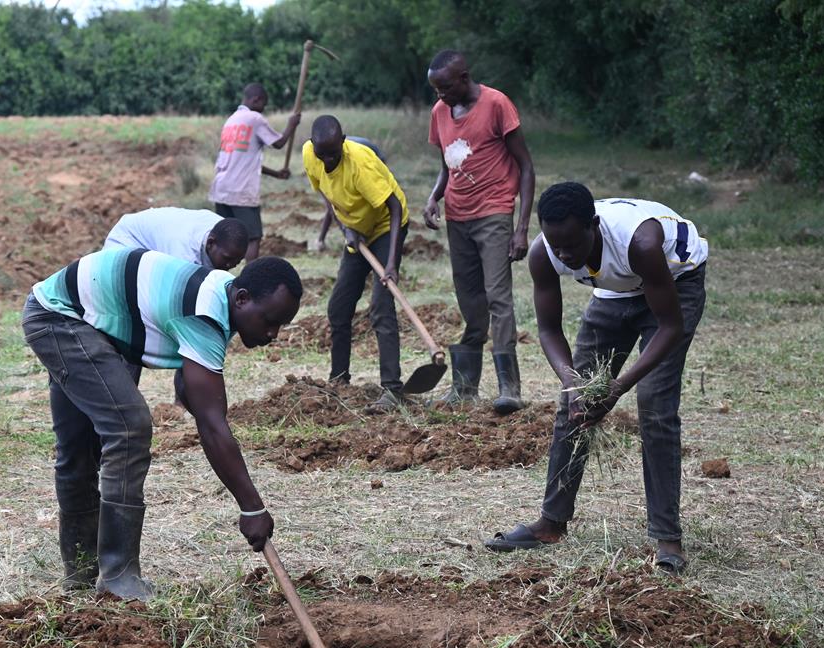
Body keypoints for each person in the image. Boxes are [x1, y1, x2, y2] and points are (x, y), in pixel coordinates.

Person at [22, 252, 302, 600]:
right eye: (269, 320)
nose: (272, 333)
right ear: (242, 298)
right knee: (128, 428)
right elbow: (213, 427)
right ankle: (117, 577)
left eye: (280, 326)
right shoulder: (204, 312)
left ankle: (82, 573)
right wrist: (252, 508)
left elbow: (197, 394)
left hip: (79, 318)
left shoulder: (219, 295)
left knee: (82, 444)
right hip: (59, 318)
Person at [483, 182, 708, 576]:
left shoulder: (640, 242)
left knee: (654, 405)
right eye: (558, 247)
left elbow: (670, 326)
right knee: (573, 406)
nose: (565, 254)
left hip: (674, 280)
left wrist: (618, 389)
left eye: (573, 244)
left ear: (594, 226)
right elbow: (549, 331)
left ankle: (667, 536)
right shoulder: (544, 252)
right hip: (615, 292)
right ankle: (551, 522)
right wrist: (574, 386)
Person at [423, 49, 535, 415]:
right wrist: (433, 197)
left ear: (463, 78)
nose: (440, 97)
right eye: (435, 90)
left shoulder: (497, 104)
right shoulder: (440, 111)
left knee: (498, 297)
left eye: (444, 89)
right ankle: (466, 387)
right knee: (470, 300)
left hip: (495, 213)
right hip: (458, 217)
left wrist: (521, 228)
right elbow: (447, 165)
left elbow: (526, 166)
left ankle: (508, 386)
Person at [303, 115, 409, 411]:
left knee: (380, 307)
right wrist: (345, 228)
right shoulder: (309, 155)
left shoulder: (360, 163)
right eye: (321, 154)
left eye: (333, 154)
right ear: (313, 146)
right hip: (358, 231)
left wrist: (391, 265)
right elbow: (327, 193)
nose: (326, 161)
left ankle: (392, 389)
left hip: (388, 226)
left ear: (344, 141)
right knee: (339, 307)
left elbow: (395, 207)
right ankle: (339, 380)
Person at [209, 83, 301, 263]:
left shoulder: (231, 120)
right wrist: (292, 124)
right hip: (240, 191)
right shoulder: (255, 119)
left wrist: (276, 174)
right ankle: (250, 280)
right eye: (264, 104)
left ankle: (216, 276)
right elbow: (279, 143)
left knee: (222, 239)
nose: (264, 109)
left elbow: (243, 159)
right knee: (253, 238)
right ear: (256, 100)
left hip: (221, 189)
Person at [104, 207, 249, 271]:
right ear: (211, 243)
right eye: (227, 258)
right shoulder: (182, 254)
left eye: (237, 261)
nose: (232, 265)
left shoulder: (223, 229)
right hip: (127, 243)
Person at [314, 136, 387, 253]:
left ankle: (373, 239)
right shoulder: (319, 161)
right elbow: (332, 207)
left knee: (371, 203)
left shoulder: (346, 159)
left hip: (372, 160)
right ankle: (321, 241)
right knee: (335, 205)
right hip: (368, 154)